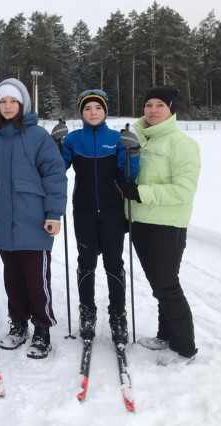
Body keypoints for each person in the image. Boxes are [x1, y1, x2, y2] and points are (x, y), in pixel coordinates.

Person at [0, 79, 67, 359]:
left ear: (22, 104)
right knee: (13, 278)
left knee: (37, 280)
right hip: (1, 220)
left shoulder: (38, 136)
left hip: (34, 220)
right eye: (3, 102)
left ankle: (42, 328)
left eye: (13, 101)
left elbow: (54, 176)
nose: (8, 106)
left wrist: (54, 213)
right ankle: (18, 324)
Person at [120, 86, 200, 365]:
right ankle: (165, 336)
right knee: (158, 285)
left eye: (160, 105)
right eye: (148, 104)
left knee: (167, 286)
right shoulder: (137, 139)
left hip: (168, 225)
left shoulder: (182, 144)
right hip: (141, 222)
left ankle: (185, 348)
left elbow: (183, 191)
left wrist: (141, 193)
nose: (153, 110)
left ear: (171, 110)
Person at [60, 90, 140, 344]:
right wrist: (56, 145)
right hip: (83, 210)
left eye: (97, 108)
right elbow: (57, 167)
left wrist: (133, 152)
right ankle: (87, 312)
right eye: (87, 109)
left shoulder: (116, 138)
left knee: (114, 263)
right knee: (86, 263)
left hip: (112, 211)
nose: (93, 112)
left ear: (105, 111)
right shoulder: (73, 139)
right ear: (81, 113)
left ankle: (118, 315)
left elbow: (129, 175)